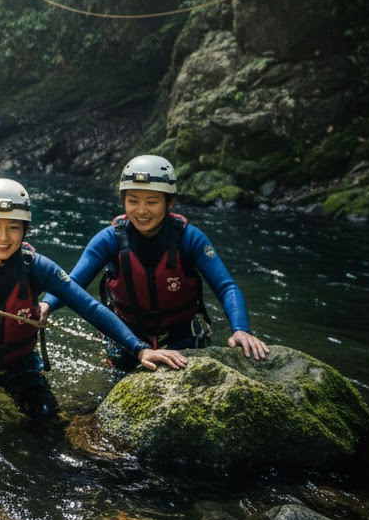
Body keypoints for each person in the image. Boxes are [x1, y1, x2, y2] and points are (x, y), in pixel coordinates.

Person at [0, 178, 189, 423]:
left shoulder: (37, 267)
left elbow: (89, 307)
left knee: (48, 420)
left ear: (25, 230)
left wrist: (139, 349)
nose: (3, 237)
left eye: (13, 227)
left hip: (19, 365)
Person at [63, 154, 269, 371]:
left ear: (169, 202)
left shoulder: (190, 238)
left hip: (182, 338)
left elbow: (225, 286)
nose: (141, 211)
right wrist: (46, 306)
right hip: (126, 338)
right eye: (133, 201)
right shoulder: (109, 239)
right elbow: (70, 284)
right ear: (123, 201)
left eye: (152, 202)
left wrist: (241, 329)